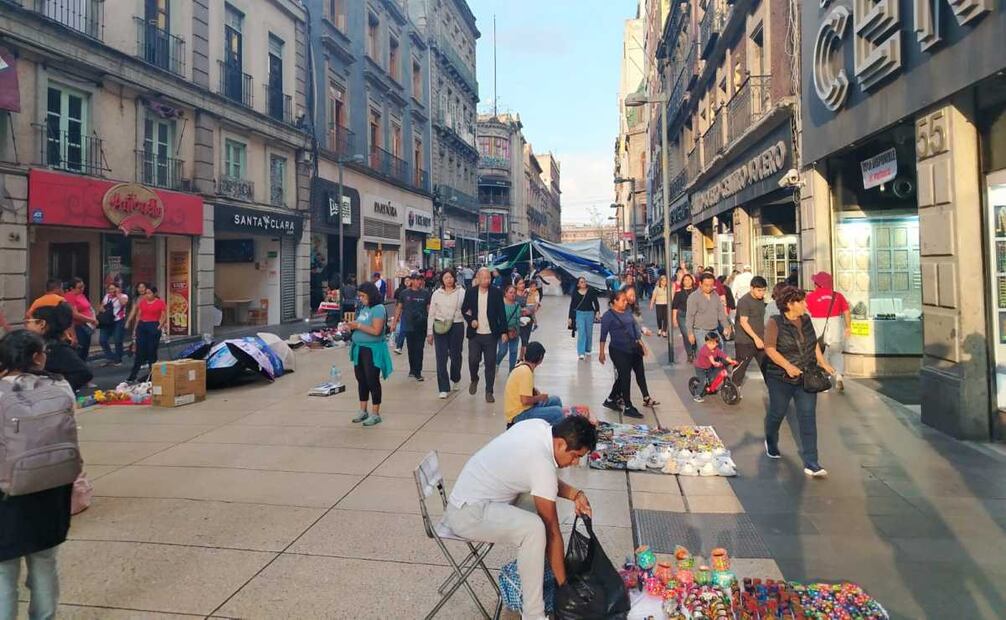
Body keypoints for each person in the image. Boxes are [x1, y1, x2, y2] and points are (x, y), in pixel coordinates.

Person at [443, 416, 596, 620]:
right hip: (466, 515)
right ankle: (534, 614)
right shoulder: (541, 463)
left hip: (473, 502)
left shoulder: (538, 427)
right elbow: (552, 530)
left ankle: (538, 574)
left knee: (540, 510)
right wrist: (565, 589)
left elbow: (543, 482)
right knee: (535, 529)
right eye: (576, 456)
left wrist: (575, 494)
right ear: (560, 444)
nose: (575, 463)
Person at [0, 330, 77, 620]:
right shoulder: (61, 387)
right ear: (36, 357)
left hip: (7, 490)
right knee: (45, 561)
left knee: (4, 569)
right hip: (52, 485)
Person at [763, 286, 836, 478]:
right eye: (802, 301)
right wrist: (787, 366)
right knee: (777, 412)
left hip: (806, 376)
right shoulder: (775, 322)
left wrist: (824, 363)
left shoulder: (806, 320)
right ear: (790, 304)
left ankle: (812, 462)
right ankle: (771, 440)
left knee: (808, 417)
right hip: (780, 377)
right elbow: (770, 349)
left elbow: (813, 346)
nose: (806, 304)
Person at [347, 281, 392, 427]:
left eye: (363, 296)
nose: (360, 298)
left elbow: (376, 331)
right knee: (361, 379)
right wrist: (352, 327)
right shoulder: (364, 308)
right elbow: (362, 324)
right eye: (359, 296)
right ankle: (362, 410)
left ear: (370, 295)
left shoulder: (378, 309)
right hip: (359, 347)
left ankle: (375, 413)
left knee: (372, 380)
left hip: (372, 349)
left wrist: (358, 325)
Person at [599, 289, 649, 418]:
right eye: (623, 300)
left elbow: (633, 330)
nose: (626, 303)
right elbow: (603, 336)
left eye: (626, 300)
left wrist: (641, 344)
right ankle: (628, 406)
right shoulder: (608, 316)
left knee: (624, 376)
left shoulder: (627, 312)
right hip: (618, 350)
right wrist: (601, 353)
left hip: (633, 348)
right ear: (614, 301)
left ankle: (610, 400)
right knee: (625, 376)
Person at [462, 267, 506, 403]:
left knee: (490, 363)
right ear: (478, 278)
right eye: (485, 278)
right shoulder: (470, 292)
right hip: (475, 334)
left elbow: (501, 313)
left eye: (489, 278)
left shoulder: (496, 293)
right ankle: (474, 378)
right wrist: (471, 320)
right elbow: (464, 309)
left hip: (491, 334)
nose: (487, 280)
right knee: (473, 360)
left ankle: (489, 391)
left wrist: (504, 331)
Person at [26, 303, 93, 392]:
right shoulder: (39, 344)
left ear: (42, 323)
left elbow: (84, 373)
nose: (26, 325)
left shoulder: (58, 348)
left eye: (29, 321)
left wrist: (59, 388)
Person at [806, 271, 851, 392]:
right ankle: (839, 376)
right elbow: (846, 311)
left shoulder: (810, 297)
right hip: (835, 326)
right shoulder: (838, 296)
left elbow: (805, 312)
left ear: (818, 284)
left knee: (820, 354)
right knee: (836, 353)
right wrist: (848, 327)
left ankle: (823, 381)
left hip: (817, 326)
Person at [505, 342, 564, 426]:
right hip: (519, 414)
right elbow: (525, 400)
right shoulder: (526, 372)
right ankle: (552, 435)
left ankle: (551, 428)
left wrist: (535, 392)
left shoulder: (522, 366)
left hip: (523, 408)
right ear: (540, 358)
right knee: (558, 413)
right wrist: (540, 398)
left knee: (555, 400)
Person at [427, 269, 465, 398]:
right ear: (442, 280)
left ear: (454, 278)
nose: (448, 280)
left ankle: (456, 377)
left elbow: (467, 310)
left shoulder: (461, 292)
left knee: (456, 355)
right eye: (446, 278)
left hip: (456, 325)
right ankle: (443, 387)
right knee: (441, 357)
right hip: (440, 325)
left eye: (450, 277)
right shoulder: (436, 294)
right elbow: (431, 313)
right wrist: (429, 332)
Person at [391, 272, 431, 381]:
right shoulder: (404, 293)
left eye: (421, 280)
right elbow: (399, 308)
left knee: (419, 349)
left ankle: (418, 371)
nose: (419, 282)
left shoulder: (426, 294)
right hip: (408, 325)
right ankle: (412, 369)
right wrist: (394, 323)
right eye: (417, 280)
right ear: (412, 280)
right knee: (411, 348)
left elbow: (429, 309)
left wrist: (431, 326)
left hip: (421, 325)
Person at [733, 276, 769, 385]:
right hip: (744, 341)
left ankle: (774, 391)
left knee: (767, 367)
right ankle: (734, 388)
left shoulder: (762, 299)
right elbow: (744, 322)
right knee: (741, 367)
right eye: (759, 290)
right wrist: (755, 338)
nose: (761, 293)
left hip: (760, 339)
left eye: (763, 290)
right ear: (751, 288)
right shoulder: (744, 301)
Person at [127, 286, 166, 383]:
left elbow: (164, 315)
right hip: (142, 325)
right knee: (139, 352)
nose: (147, 295)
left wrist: (160, 326)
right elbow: (139, 315)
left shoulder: (160, 302)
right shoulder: (142, 302)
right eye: (146, 293)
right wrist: (135, 329)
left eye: (149, 293)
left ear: (154, 294)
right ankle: (132, 376)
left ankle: (153, 375)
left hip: (153, 325)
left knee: (151, 351)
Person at [686, 273, 731, 351]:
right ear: (700, 284)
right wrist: (690, 333)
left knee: (720, 351)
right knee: (707, 355)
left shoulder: (715, 295)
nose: (709, 288)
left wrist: (726, 326)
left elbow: (721, 313)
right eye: (706, 285)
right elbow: (690, 316)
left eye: (711, 285)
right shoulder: (693, 297)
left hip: (714, 330)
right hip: (700, 331)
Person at [692, 332, 736, 403]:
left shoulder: (716, 349)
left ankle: (711, 387)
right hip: (700, 368)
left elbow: (723, 355)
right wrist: (716, 363)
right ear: (706, 342)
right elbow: (711, 359)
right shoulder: (705, 349)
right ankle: (697, 394)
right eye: (710, 343)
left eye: (714, 343)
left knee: (713, 376)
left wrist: (731, 360)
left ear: (717, 343)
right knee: (703, 381)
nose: (712, 345)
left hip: (708, 366)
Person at [62, 277, 97, 361]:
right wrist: (91, 320)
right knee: (80, 350)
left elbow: (89, 308)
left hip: (87, 325)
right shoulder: (70, 296)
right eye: (79, 287)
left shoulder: (81, 295)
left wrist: (93, 318)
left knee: (85, 349)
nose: (82, 289)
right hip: (78, 326)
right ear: (72, 288)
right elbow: (74, 314)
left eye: (83, 286)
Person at [567, 276, 600, 360]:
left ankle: (587, 349)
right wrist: (570, 317)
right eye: (581, 282)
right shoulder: (575, 293)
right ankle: (581, 352)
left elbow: (595, 302)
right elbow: (572, 306)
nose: (584, 283)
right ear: (578, 284)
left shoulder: (591, 291)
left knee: (589, 333)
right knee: (582, 332)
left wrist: (597, 312)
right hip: (579, 314)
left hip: (590, 314)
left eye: (584, 281)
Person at [98, 282, 128, 366]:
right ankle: (110, 357)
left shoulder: (123, 296)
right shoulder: (107, 297)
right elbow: (101, 307)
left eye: (113, 288)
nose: (111, 291)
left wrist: (117, 294)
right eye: (110, 289)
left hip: (118, 320)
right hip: (107, 321)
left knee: (118, 340)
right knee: (102, 340)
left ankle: (118, 359)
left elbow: (123, 303)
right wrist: (105, 311)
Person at [496, 285, 522, 373]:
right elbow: (497, 319)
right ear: (505, 293)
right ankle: (496, 363)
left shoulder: (517, 305)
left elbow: (518, 318)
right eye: (510, 292)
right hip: (503, 332)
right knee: (503, 351)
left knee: (514, 351)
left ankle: (511, 371)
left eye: (514, 293)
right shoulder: (500, 305)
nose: (513, 295)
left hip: (515, 332)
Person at [672, 274, 697, 361]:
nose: (687, 281)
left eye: (689, 279)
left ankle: (694, 350)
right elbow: (674, 306)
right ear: (682, 282)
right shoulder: (679, 292)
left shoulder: (696, 290)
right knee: (686, 334)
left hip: (694, 315)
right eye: (685, 280)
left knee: (694, 334)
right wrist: (674, 319)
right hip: (682, 315)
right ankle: (689, 353)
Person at [392, 275, 410, 354]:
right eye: (406, 281)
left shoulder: (415, 291)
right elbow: (396, 303)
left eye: (409, 280)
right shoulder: (399, 291)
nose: (407, 282)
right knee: (402, 330)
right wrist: (397, 314)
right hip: (404, 313)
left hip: (413, 315)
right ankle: (399, 346)